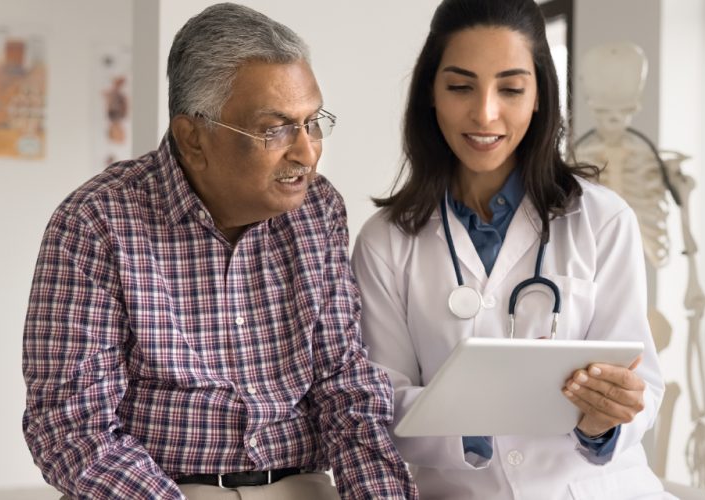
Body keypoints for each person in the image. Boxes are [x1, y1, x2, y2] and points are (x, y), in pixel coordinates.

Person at [22, 4, 417, 499]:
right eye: (275, 129)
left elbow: (346, 386)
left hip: (298, 486)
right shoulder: (96, 223)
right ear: (193, 138)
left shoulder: (318, 209)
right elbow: (72, 429)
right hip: (163, 489)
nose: (307, 152)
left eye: (312, 122)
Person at [350, 0, 673, 498]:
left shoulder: (602, 221)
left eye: (511, 88)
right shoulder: (385, 240)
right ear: (429, 94)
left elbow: (641, 385)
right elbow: (381, 404)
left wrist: (602, 419)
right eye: (460, 86)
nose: (485, 113)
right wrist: (491, 413)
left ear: (541, 94)